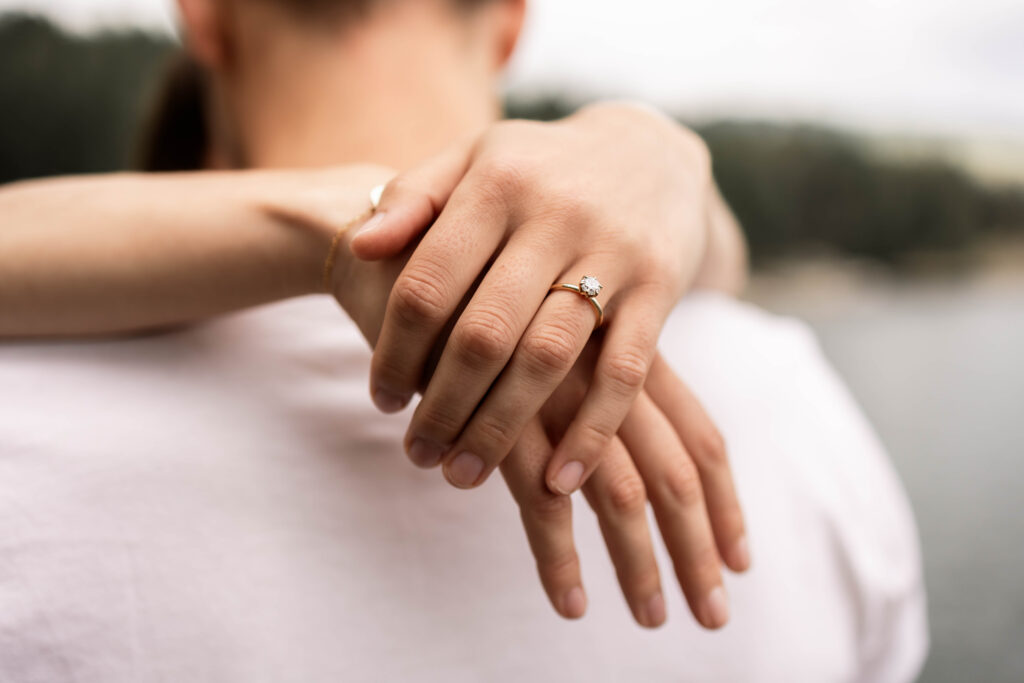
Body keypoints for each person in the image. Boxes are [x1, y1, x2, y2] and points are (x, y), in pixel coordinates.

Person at [0, 0, 927, 680]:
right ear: (512, 21)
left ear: (203, 19)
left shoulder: (25, 426)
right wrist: (664, 153)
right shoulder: (789, 393)